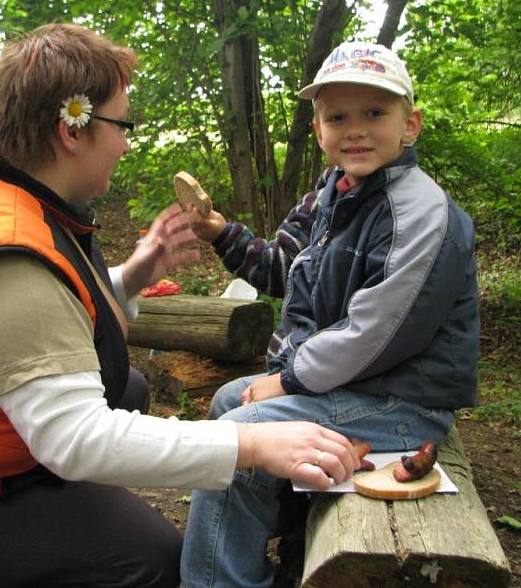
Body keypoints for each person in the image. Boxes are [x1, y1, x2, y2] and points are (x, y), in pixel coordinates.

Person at [0, 24, 364, 588]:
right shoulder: (4, 254)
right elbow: (74, 434)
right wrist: (254, 443)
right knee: (159, 562)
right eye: (123, 125)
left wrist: (132, 276)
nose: (126, 143)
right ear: (72, 131)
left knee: (130, 390)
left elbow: (38, 316)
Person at [181, 41, 480, 587]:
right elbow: (280, 269)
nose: (356, 129)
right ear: (319, 131)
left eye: (375, 113)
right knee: (230, 399)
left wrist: (287, 379)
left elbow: (377, 333)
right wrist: (221, 233)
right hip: (357, 387)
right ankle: (286, 546)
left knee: (240, 433)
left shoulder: (420, 211)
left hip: (403, 402)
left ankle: (217, 580)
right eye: (338, 116)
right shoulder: (329, 198)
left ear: (409, 125)